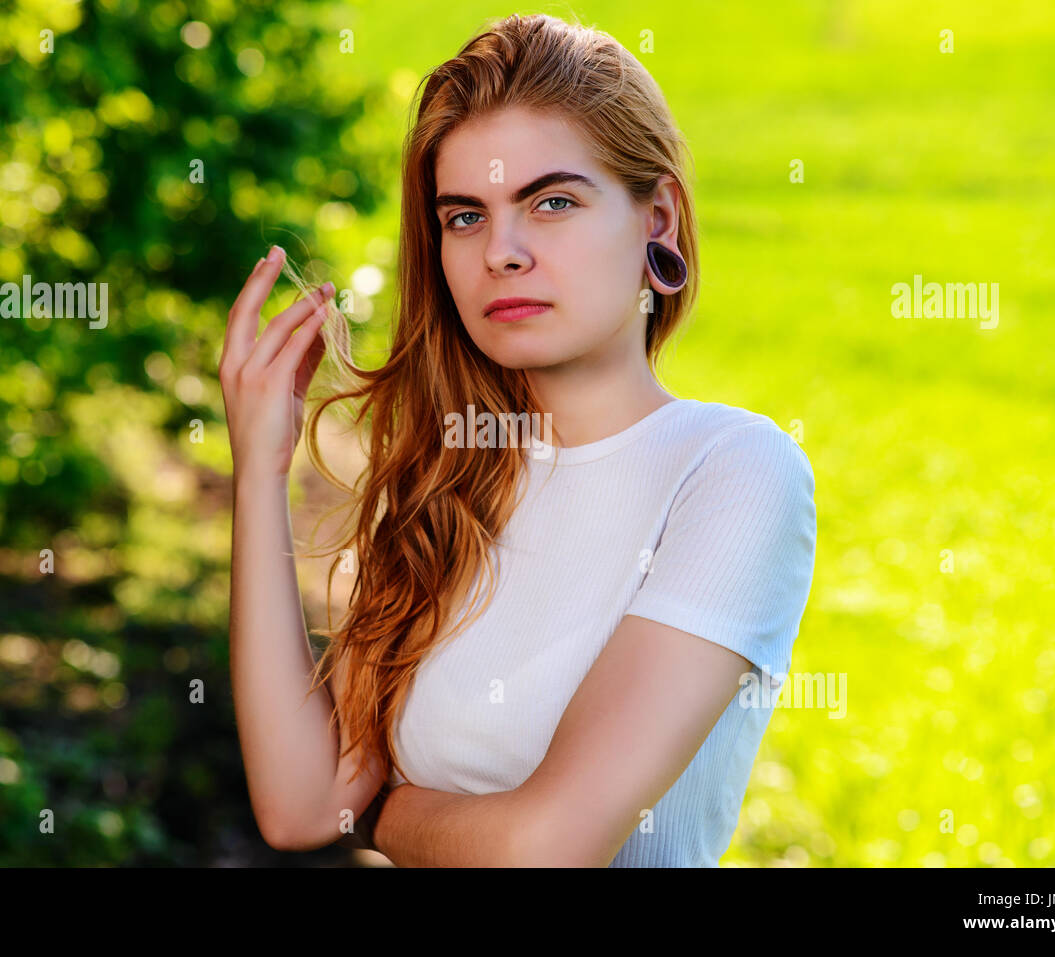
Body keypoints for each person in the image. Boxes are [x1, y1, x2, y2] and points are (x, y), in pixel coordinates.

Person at [219, 12, 816, 867]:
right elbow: (301, 802)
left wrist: (386, 815)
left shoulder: (733, 471)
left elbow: (546, 847)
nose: (502, 250)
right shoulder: (444, 483)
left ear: (659, 221)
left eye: (553, 201)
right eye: (464, 216)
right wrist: (258, 473)